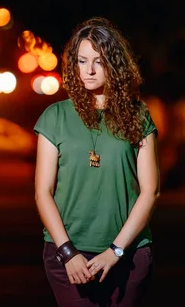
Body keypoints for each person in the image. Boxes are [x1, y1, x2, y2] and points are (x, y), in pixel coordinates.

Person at [34, 17, 160, 306]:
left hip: (128, 252)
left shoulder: (137, 116)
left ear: (114, 65)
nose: (88, 70)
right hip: (69, 256)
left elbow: (150, 191)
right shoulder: (55, 118)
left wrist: (115, 251)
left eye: (98, 62)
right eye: (81, 61)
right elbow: (43, 192)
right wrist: (67, 252)